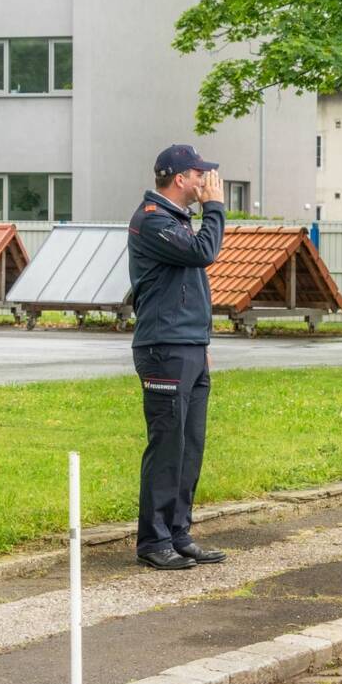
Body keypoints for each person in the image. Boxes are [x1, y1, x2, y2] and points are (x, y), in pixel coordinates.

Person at [128, 144, 228, 572]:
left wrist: (201, 345)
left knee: (189, 445)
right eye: (198, 173)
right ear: (179, 178)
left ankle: (179, 533)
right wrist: (216, 209)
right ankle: (154, 541)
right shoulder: (153, 221)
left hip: (187, 347)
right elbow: (204, 252)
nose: (205, 180)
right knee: (167, 445)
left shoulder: (175, 221)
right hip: (163, 348)